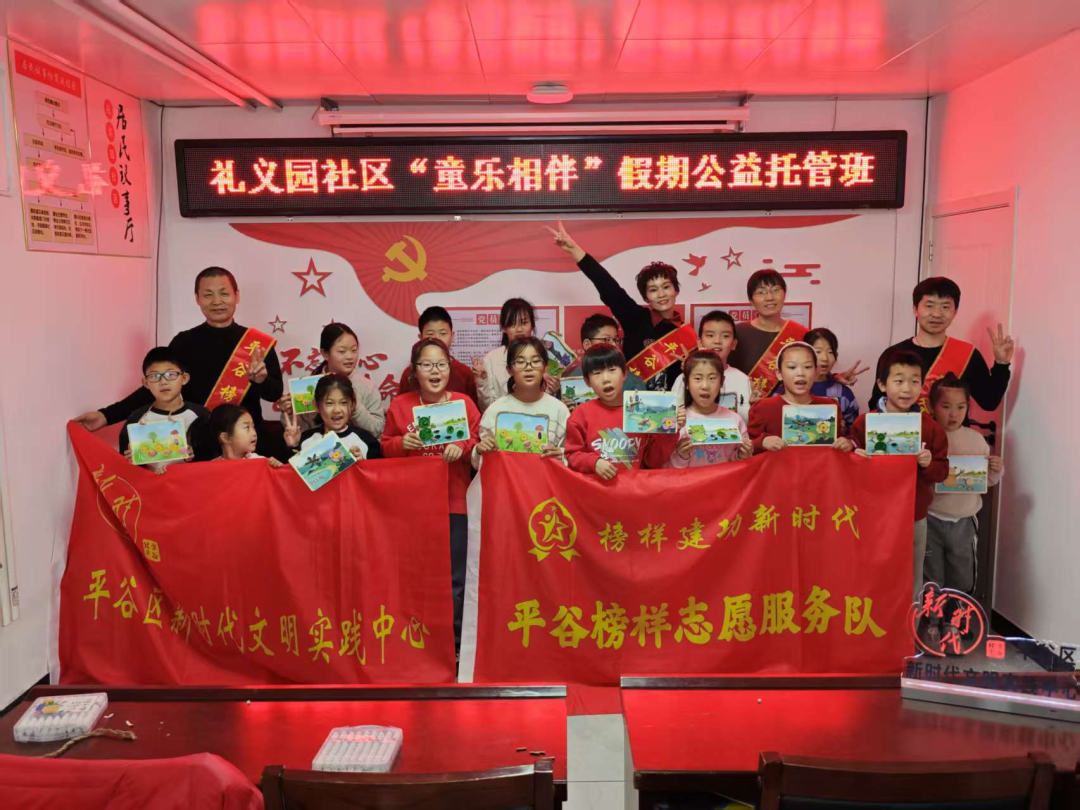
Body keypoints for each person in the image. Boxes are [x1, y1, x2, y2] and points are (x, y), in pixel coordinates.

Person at [74, 266, 284, 459]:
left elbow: (274, 393)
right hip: (196, 445)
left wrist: (261, 380)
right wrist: (105, 416)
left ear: (237, 296)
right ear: (197, 299)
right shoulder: (184, 342)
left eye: (224, 293)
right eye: (208, 295)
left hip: (245, 446)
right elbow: (155, 387)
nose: (217, 301)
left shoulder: (256, 344)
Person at [382, 338, 480, 651]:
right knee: (416, 577)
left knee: (455, 578)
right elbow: (384, 445)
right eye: (426, 365)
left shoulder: (464, 403)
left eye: (440, 364)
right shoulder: (401, 405)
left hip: (454, 503)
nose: (435, 371)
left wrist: (462, 446)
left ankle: (453, 645)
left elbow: (479, 442)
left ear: (450, 368)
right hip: (412, 506)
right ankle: (416, 643)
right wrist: (401, 444)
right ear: (415, 371)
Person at [852, 348, 949, 601]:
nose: (907, 389)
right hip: (872, 513)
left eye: (914, 381)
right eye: (899, 381)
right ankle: (872, 622)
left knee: (912, 575)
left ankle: (910, 624)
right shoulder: (864, 423)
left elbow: (942, 471)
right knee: (871, 573)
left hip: (913, 514)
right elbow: (846, 469)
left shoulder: (931, 428)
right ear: (882, 385)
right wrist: (854, 458)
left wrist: (928, 464)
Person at [547, 219, 686, 390]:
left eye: (666, 287)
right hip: (629, 400)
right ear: (646, 298)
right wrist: (574, 250)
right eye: (653, 290)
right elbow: (608, 286)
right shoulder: (636, 317)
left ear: (676, 290)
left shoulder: (685, 334)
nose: (661, 294)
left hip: (669, 404)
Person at [870, 276, 1014, 413]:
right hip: (904, 431)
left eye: (945, 307)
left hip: (951, 431)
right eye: (929, 305)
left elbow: (989, 402)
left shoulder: (967, 354)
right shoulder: (893, 354)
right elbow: (876, 404)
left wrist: (1001, 364)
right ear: (915, 309)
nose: (937, 314)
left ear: (955, 312)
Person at [925, 374, 1003, 594]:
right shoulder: (927, 437)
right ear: (931, 406)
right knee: (931, 576)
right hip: (930, 517)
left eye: (960, 407)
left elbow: (986, 480)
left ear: (968, 407)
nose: (953, 414)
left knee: (962, 575)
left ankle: (958, 613)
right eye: (946, 406)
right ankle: (932, 615)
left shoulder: (976, 440)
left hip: (964, 519)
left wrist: (996, 469)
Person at [564, 345, 672, 478]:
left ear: (624, 374)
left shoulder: (642, 410)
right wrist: (593, 462)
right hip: (596, 488)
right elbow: (571, 455)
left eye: (612, 370)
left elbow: (653, 461)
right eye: (597, 373)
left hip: (633, 487)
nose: (606, 379)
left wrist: (670, 431)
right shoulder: (581, 414)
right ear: (587, 381)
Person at [473, 337, 570, 469]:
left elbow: (572, 456)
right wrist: (479, 451)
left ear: (545, 367)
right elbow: (480, 464)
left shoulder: (559, 410)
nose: (528, 368)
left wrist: (561, 456)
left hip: (545, 480)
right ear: (509, 369)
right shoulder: (495, 411)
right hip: (506, 480)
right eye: (520, 362)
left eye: (535, 361)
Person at [279, 323, 385, 437]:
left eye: (354, 350)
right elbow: (302, 433)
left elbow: (377, 430)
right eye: (342, 351)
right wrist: (290, 413)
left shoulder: (367, 387)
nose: (350, 357)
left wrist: (353, 403)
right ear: (325, 354)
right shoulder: (309, 386)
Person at [747, 342, 854, 454]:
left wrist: (847, 443)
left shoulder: (830, 406)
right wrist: (762, 442)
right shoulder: (763, 407)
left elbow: (841, 442)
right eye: (792, 367)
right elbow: (746, 446)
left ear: (816, 372)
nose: (800, 373)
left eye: (807, 367)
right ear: (779, 373)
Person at [119, 347, 210, 474]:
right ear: (146, 383)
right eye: (154, 376)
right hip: (151, 485)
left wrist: (192, 456)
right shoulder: (137, 418)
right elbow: (124, 468)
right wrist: (132, 460)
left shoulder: (201, 415)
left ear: (184, 378)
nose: (163, 382)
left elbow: (212, 459)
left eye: (170, 375)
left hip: (191, 483)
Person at [664, 350, 752, 468]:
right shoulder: (678, 422)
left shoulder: (735, 420)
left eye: (712, 378)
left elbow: (739, 468)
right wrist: (681, 457)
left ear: (721, 382)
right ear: (686, 383)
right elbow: (665, 471)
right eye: (698, 378)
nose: (705, 386)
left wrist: (741, 455)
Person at [773, 328, 860, 434]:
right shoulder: (785, 390)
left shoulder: (843, 393)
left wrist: (843, 434)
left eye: (830, 352)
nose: (825, 358)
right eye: (818, 351)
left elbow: (854, 431)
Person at [670, 310, 752, 422]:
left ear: (734, 344)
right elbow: (673, 420)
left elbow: (746, 420)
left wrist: (756, 407)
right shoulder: (683, 379)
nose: (717, 341)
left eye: (725, 336)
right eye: (710, 335)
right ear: (699, 342)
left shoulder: (743, 380)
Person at [284, 374, 382, 460]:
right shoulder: (306, 439)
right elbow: (292, 471)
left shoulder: (366, 439)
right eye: (329, 403)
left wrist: (362, 463)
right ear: (316, 406)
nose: (337, 410)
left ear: (352, 405)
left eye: (343, 403)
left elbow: (378, 471)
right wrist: (294, 445)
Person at [396, 306, 479, 407]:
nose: (437, 339)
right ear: (420, 337)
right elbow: (401, 408)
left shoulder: (464, 373)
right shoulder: (409, 374)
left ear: (452, 336)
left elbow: (472, 409)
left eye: (443, 333)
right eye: (430, 334)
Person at [473, 298, 543, 410]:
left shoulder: (542, 355)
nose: (519, 329)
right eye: (512, 323)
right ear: (504, 328)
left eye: (524, 323)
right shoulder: (491, 359)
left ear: (532, 325)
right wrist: (482, 383)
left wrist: (553, 388)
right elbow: (487, 408)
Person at [561, 313, 646, 391]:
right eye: (606, 339)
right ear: (587, 344)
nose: (614, 345)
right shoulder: (568, 377)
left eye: (616, 340)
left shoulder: (632, 382)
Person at [210, 404, 283, 467]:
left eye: (253, 427)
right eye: (247, 427)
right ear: (225, 438)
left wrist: (277, 469)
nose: (254, 433)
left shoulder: (261, 463)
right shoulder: (211, 467)